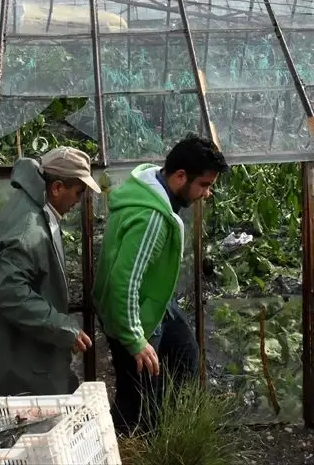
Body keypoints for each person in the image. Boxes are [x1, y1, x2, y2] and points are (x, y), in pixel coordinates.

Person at [93, 134, 229, 433]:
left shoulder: (151, 185)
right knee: (139, 403)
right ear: (180, 176)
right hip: (133, 315)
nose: (206, 194)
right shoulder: (151, 220)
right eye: (204, 185)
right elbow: (124, 282)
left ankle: (172, 431)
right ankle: (131, 442)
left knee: (186, 358)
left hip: (154, 303)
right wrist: (135, 339)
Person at [0, 146, 99, 396]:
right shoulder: (28, 229)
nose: (78, 201)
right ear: (57, 187)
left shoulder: (32, 208)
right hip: (15, 364)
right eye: (78, 192)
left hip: (19, 351)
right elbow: (10, 294)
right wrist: (62, 327)